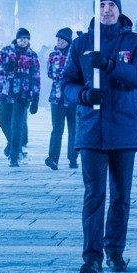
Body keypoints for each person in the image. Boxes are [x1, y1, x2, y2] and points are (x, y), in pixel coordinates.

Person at [60, 0, 137, 273]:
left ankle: (115, 249)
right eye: (101, 5)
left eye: (111, 5)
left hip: (125, 128)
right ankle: (91, 257)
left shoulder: (135, 42)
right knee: (94, 194)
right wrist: (84, 95)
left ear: (119, 9)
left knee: (121, 195)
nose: (107, 10)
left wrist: (111, 65)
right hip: (92, 129)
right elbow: (66, 84)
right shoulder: (81, 44)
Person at [0, 28, 40, 167]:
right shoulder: (6, 51)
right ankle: (14, 145)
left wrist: (35, 98)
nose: (23, 41)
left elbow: (36, 77)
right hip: (6, 92)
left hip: (23, 94)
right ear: (16, 39)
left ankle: (14, 156)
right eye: (21, 39)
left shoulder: (32, 55)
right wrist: (6, 69)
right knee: (3, 122)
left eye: (26, 39)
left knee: (18, 125)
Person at [44, 28, 76, 170]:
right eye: (58, 40)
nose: (60, 42)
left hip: (73, 97)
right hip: (57, 97)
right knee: (57, 129)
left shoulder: (75, 54)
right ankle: (53, 158)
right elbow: (50, 73)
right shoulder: (53, 55)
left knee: (73, 129)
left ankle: (73, 158)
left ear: (68, 41)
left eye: (62, 40)